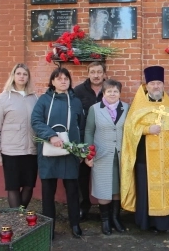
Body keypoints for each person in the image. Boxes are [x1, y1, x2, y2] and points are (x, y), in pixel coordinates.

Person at [121, 66, 169, 232]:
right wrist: (147, 129)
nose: (156, 86)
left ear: (163, 85)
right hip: (145, 158)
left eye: (159, 83)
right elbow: (129, 129)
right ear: (146, 85)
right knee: (147, 190)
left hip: (167, 159)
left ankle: (165, 224)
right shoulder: (138, 105)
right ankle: (147, 223)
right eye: (153, 83)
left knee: (166, 188)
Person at [31, 67, 84, 239]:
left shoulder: (75, 101)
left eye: (66, 78)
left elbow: (81, 126)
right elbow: (36, 120)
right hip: (49, 152)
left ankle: (75, 224)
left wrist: (81, 149)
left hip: (70, 152)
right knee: (48, 192)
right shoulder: (44, 100)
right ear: (52, 82)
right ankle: (49, 227)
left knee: (73, 191)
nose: (63, 81)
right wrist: (51, 135)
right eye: (59, 78)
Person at [84, 79, 129, 235]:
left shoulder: (126, 108)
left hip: (120, 155)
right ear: (103, 93)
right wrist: (88, 154)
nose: (112, 93)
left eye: (115, 91)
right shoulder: (95, 109)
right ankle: (105, 221)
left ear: (119, 93)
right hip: (101, 155)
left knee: (117, 188)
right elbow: (89, 132)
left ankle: (116, 218)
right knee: (103, 188)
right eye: (109, 91)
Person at [0, 64, 38, 209]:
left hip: (31, 150)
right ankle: (17, 218)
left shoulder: (34, 97)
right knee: (13, 187)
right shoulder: (3, 98)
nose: (21, 77)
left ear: (28, 78)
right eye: (19, 73)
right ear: (13, 76)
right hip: (11, 151)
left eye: (25, 74)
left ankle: (21, 214)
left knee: (29, 185)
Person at [74, 62, 106, 221]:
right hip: (83, 139)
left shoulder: (110, 89)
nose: (96, 75)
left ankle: (105, 208)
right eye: (92, 72)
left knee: (104, 174)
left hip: (104, 138)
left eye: (99, 72)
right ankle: (83, 206)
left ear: (104, 74)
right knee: (82, 175)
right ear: (88, 73)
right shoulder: (78, 91)